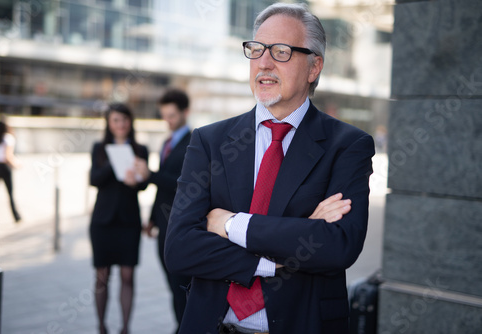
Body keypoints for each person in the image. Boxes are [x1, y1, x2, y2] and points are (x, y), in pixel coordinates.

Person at [164, 3, 375, 334]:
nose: (263, 62)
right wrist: (281, 250)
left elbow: (338, 246)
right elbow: (179, 249)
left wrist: (232, 224)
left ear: (314, 67)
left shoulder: (348, 145)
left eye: (281, 51)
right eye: (256, 50)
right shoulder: (210, 141)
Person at [89, 103, 149, 334]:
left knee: (128, 276)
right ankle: (101, 326)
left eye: (124, 119)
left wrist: (138, 180)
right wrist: (115, 161)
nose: (120, 124)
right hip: (103, 221)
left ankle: (125, 328)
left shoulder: (140, 149)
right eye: (116, 120)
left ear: (130, 122)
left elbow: (144, 183)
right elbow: (94, 179)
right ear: (109, 123)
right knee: (101, 276)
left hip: (128, 221)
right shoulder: (99, 148)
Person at [139, 88, 192, 333]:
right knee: (171, 283)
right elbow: (161, 187)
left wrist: (149, 175)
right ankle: (180, 325)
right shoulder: (166, 143)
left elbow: (183, 183)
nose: (167, 120)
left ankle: (184, 326)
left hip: (181, 225)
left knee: (181, 283)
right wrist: (151, 218)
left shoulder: (194, 142)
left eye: (172, 115)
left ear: (185, 112)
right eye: (164, 115)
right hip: (163, 221)